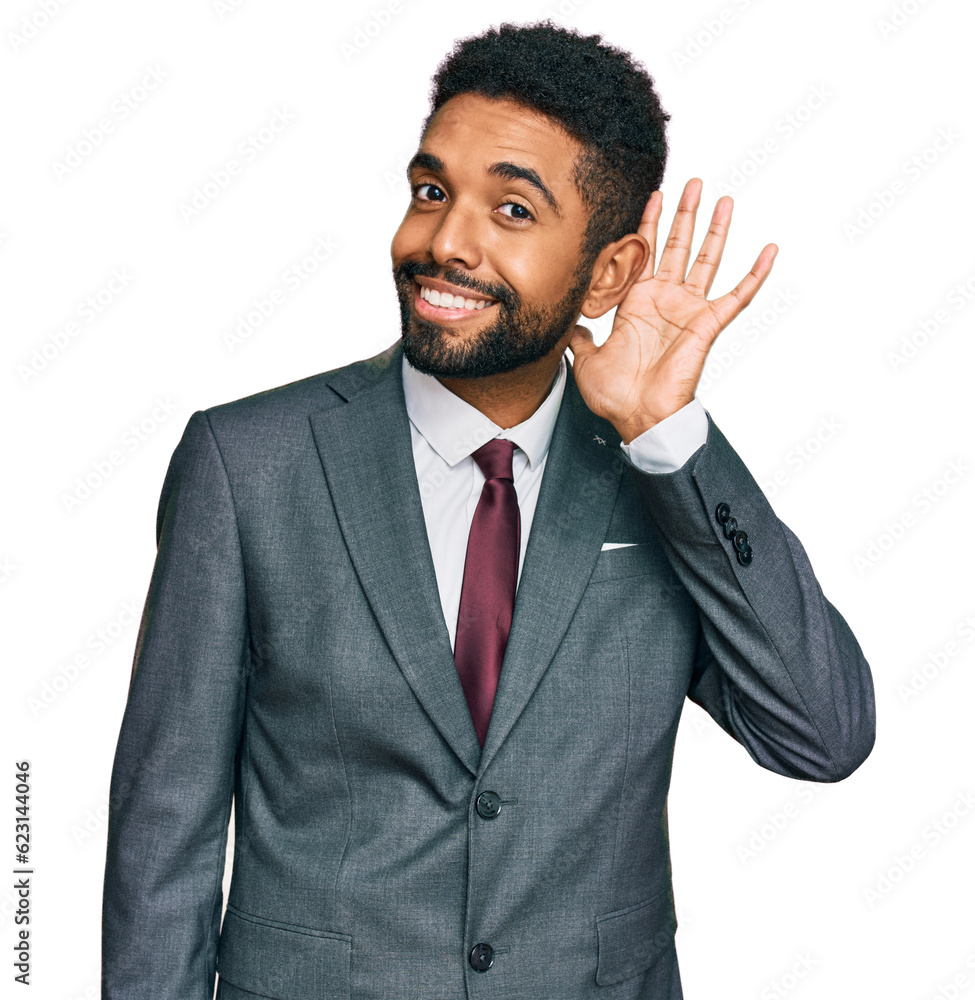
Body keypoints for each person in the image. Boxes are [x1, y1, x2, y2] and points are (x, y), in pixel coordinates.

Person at [101, 22, 875, 1000]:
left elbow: (823, 733)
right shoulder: (247, 462)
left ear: (608, 273)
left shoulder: (658, 476)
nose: (443, 241)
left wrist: (669, 434)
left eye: (511, 208)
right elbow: (163, 831)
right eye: (433, 191)